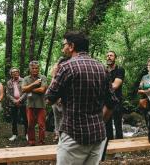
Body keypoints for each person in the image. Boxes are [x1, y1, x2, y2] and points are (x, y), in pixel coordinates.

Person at [45, 31, 116, 165]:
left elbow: (49, 99)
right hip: (98, 136)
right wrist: (100, 121)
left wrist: (54, 76)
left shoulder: (66, 67)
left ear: (71, 46)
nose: (63, 48)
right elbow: (112, 103)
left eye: (64, 45)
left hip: (73, 135)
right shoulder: (102, 68)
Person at [102, 51, 125, 160]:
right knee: (107, 127)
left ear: (115, 57)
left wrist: (102, 88)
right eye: (107, 55)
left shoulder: (119, 70)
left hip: (117, 101)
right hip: (105, 102)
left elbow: (115, 85)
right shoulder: (104, 70)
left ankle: (119, 150)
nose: (109, 57)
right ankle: (110, 149)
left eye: (111, 55)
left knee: (118, 125)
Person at [22, 61, 48, 146]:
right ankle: (31, 141)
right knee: (30, 125)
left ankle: (41, 142)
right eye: (33, 68)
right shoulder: (26, 78)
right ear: (30, 69)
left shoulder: (43, 77)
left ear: (39, 68)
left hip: (41, 105)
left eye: (36, 68)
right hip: (30, 105)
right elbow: (23, 89)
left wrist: (29, 89)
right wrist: (34, 84)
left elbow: (42, 90)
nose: (34, 70)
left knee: (41, 125)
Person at [6, 67, 27, 141]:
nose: (15, 73)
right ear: (11, 74)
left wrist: (20, 100)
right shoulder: (9, 82)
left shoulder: (24, 80)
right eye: (13, 72)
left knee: (25, 119)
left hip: (23, 102)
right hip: (13, 103)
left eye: (16, 72)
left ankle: (27, 134)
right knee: (14, 119)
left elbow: (26, 92)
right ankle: (14, 134)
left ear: (19, 72)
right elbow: (8, 94)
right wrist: (14, 101)